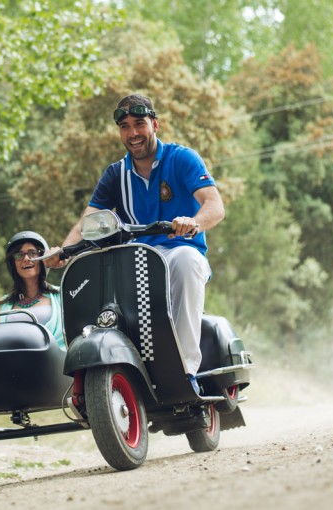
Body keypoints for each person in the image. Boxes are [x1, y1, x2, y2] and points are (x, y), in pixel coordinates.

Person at [44, 93, 224, 392]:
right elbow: (88, 222)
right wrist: (62, 250)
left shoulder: (182, 159)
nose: (133, 133)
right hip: (136, 259)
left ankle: (185, 372)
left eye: (139, 124)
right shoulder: (116, 174)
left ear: (155, 124)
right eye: (125, 126)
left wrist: (194, 223)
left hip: (182, 252)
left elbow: (214, 206)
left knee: (184, 260)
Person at [0, 231, 65, 350]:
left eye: (32, 253)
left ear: (43, 258)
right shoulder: (2, 305)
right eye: (19, 255)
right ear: (13, 264)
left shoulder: (62, 295)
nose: (26, 259)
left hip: (56, 364)